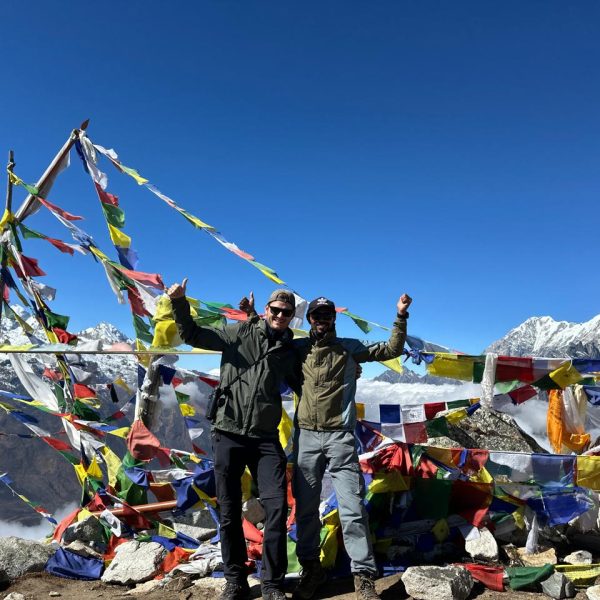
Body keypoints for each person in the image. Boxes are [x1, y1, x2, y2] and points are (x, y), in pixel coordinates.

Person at [167, 279, 298, 600]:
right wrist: (180, 303)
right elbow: (193, 335)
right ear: (267, 310)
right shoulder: (237, 333)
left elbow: (306, 385)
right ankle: (235, 580)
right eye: (276, 310)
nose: (281, 316)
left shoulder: (288, 350)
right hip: (228, 433)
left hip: (266, 439)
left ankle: (271, 584)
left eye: (287, 312)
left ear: (292, 316)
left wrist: (349, 373)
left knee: (277, 508)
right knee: (228, 511)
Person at [291, 294, 412, 600]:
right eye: (317, 315)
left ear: (334, 318)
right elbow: (268, 349)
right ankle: (311, 569)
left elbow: (390, 349)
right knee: (305, 509)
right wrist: (254, 317)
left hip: (340, 438)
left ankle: (363, 577)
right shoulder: (298, 348)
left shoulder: (349, 348)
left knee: (352, 508)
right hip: (305, 436)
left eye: (327, 315)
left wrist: (400, 317)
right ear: (310, 320)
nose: (322, 320)